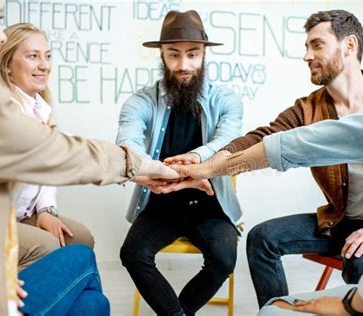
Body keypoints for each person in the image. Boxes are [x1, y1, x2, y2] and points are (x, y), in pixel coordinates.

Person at [171, 0, 363, 314]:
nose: (306, 55)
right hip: (339, 222)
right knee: (263, 240)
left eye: (316, 45)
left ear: (349, 46)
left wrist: (354, 301)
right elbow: (286, 142)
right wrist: (208, 166)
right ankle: (274, 305)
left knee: (362, 259)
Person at [0, 0, 179, 315]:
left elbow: (48, 161)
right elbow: (66, 156)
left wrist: (46, 210)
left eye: (47, 56)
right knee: (80, 260)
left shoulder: (24, 104)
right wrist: (146, 167)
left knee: (92, 298)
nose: (1, 35)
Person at [116, 10, 243, 315]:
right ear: (161, 54)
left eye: (192, 54)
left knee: (225, 259)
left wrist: (196, 159)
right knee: (132, 253)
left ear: (203, 55)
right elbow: (128, 142)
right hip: (161, 202)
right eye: (173, 54)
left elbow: (228, 141)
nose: (183, 65)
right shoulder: (141, 100)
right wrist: (158, 170)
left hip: (211, 204)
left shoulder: (227, 99)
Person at [0, 22, 95, 270]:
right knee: (47, 247)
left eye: (48, 56)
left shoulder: (41, 107)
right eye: (33, 56)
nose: (45, 65)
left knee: (81, 239)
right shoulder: (1, 110)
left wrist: (46, 211)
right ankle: (1, 299)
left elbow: (47, 170)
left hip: (23, 215)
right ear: (7, 65)